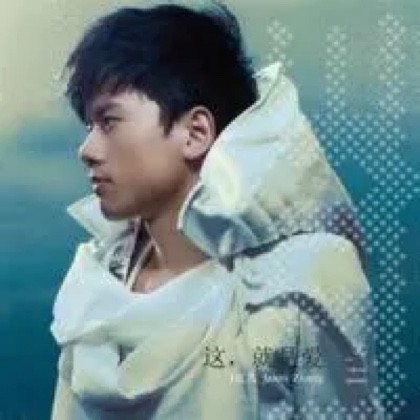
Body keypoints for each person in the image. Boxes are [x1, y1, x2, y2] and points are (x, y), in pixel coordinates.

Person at [50, 3, 384, 419]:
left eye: (109, 121)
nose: (87, 150)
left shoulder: (307, 276)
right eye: (89, 126)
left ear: (195, 132)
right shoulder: (93, 284)